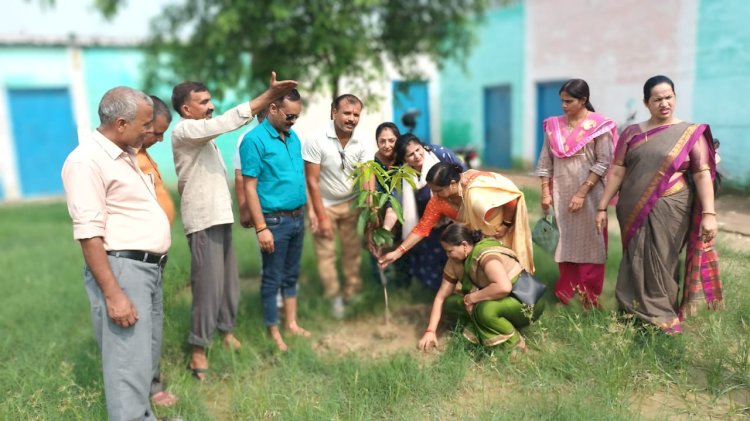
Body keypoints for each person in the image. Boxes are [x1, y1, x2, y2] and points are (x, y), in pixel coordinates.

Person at [171, 72, 297, 379]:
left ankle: (225, 333)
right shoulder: (185, 130)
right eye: (203, 102)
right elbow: (226, 122)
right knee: (207, 287)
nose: (211, 106)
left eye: (211, 101)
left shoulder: (203, 139)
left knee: (229, 283)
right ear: (186, 110)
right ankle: (199, 349)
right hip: (202, 221)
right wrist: (267, 97)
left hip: (219, 217)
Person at [62, 87, 171, 420]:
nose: (149, 130)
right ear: (121, 123)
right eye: (145, 123)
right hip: (123, 271)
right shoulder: (86, 162)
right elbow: (89, 235)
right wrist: (114, 294)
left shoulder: (123, 153)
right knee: (127, 363)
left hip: (146, 269)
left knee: (143, 356)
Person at [595, 75, 722, 334]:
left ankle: (662, 312)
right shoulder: (631, 133)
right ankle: (631, 309)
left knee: (664, 259)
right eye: (657, 99)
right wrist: (602, 205)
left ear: (675, 98)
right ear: (646, 102)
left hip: (672, 205)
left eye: (669, 97)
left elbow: (701, 173)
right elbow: (618, 170)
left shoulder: (689, 132)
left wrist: (709, 213)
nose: (664, 103)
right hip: (631, 206)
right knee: (634, 257)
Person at [535, 78, 617, 308]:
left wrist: (581, 193)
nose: (563, 105)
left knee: (591, 241)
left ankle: (589, 296)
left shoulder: (599, 126)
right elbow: (544, 160)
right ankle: (566, 293)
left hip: (590, 194)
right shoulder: (553, 126)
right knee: (566, 243)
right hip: (561, 192)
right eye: (561, 101)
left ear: (583, 100)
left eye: (568, 101)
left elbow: (604, 161)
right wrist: (545, 192)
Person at [240, 89, 310, 351]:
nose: (293, 121)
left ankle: (291, 323)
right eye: (290, 116)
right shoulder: (254, 140)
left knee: (291, 275)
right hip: (274, 222)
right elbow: (249, 187)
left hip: (296, 218)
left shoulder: (293, 137)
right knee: (273, 277)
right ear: (272, 109)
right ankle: (273, 329)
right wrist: (261, 228)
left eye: (296, 116)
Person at [379, 163, 534, 275]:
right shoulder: (438, 201)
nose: (434, 194)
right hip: (478, 241)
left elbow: (511, 200)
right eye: (432, 190)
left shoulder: (474, 191)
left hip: (502, 232)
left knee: (509, 273)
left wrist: (506, 225)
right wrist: (397, 253)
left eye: (438, 190)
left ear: (453, 184)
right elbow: (422, 228)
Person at [418, 223, 541, 351]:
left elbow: (503, 287)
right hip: (502, 300)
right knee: (451, 304)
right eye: (445, 251)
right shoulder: (454, 262)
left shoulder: (485, 255)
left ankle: (515, 345)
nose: (447, 255)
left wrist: (471, 298)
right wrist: (430, 331)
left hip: (527, 301)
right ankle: (480, 334)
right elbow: (441, 297)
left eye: (450, 251)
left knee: (483, 310)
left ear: (464, 245)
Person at [303, 94, 370, 318]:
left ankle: (353, 292)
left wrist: (370, 206)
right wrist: (319, 216)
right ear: (334, 112)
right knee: (327, 254)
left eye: (356, 114)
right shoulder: (316, 139)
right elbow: (311, 180)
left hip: (351, 204)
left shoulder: (363, 140)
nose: (351, 119)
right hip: (324, 204)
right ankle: (334, 298)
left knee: (352, 251)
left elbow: (366, 175)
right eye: (347, 113)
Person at [135, 95, 178, 407]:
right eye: (157, 132)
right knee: (138, 329)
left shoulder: (144, 154)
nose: (161, 138)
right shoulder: (122, 159)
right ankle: (142, 393)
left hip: (154, 256)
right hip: (133, 259)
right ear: (141, 124)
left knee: (153, 325)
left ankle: (152, 384)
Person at [380, 133, 464, 289]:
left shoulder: (440, 154)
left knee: (456, 258)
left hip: (455, 218)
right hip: (426, 223)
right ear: (403, 159)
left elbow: (464, 178)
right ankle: (438, 295)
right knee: (431, 263)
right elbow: (394, 206)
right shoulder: (401, 174)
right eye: (410, 155)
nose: (417, 156)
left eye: (418, 150)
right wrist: (385, 232)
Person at [364, 122, 412, 288]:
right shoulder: (371, 164)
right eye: (382, 141)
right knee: (377, 246)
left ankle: (404, 282)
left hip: (403, 210)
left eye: (391, 140)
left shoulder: (404, 160)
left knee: (402, 245)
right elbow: (369, 197)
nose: (387, 145)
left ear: (397, 140)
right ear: (376, 142)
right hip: (378, 211)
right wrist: (373, 219)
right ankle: (380, 283)